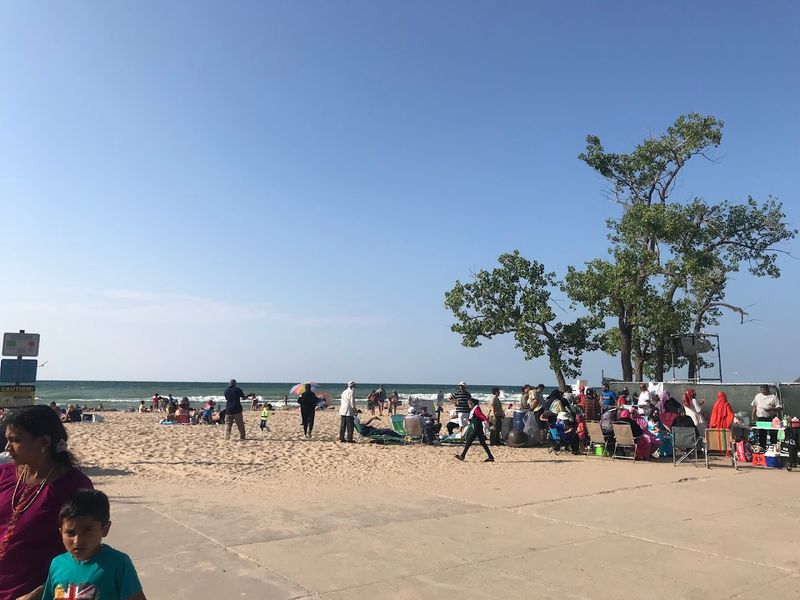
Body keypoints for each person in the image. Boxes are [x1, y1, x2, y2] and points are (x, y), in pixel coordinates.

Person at [0, 405, 94, 600]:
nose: (7, 448)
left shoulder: (74, 487)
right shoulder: (4, 474)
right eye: (7, 439)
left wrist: (40, 592)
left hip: (29, 592)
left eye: (15, 440)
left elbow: (82, 551)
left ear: (44, 441)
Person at [42, 489, 146, 600]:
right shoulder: (57, 564)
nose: (77, 540)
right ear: (61, 532)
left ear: (105, 529)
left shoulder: (118, 564)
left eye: (87, 530)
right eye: (70, 533)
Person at [455, 398, 494, 462]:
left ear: (472, 404)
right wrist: (469, 420)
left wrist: (489, 424)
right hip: (479, 428)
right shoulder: (475, 409)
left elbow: (482, 416)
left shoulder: (476, 409)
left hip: (476, 428)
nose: (468, 406)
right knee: (483, 443)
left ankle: (462, 456)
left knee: (469, 441)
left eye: (469, 404)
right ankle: (490, 456)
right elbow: (478, 418)